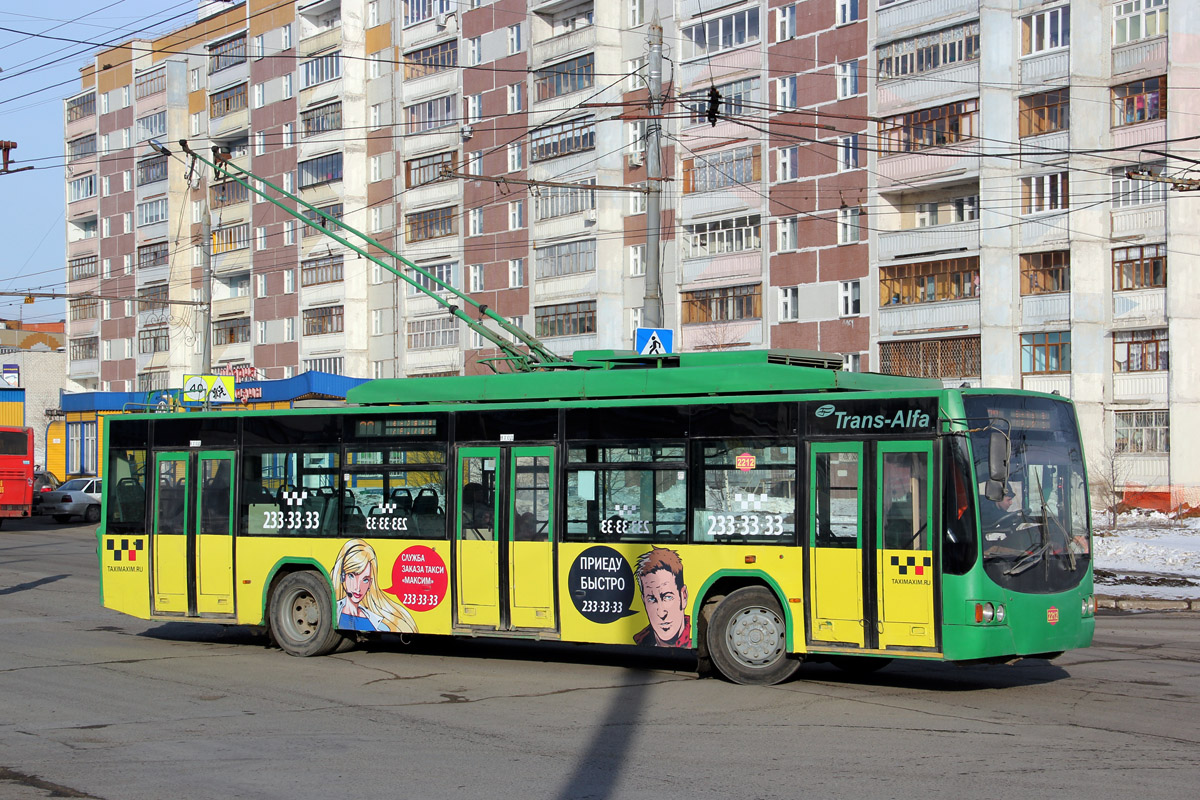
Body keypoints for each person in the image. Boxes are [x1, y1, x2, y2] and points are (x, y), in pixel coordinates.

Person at [332, 539, 417, 633]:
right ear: (343, 576)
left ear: (370, 583)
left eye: (365, 580)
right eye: (352, 576)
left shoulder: (379, 625)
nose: (358, 588)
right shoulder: (331, 612)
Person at [632, 547, 691, 648]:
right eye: (651, 599)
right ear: (644, 601)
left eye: (667, 597)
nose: (661, 613)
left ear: (683, 597)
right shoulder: (639, 641)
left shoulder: (693, 637)